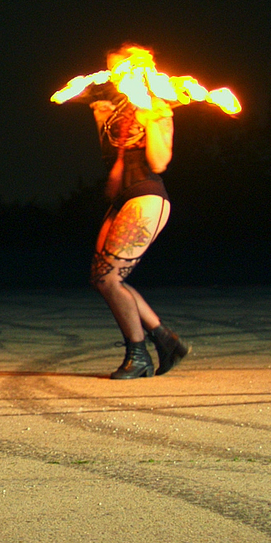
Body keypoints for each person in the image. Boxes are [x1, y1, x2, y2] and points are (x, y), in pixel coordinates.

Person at [85, 44, 192, 379]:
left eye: (119, 67)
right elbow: (110, 160)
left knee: (110, 279)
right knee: (101, 279)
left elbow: (159, 162)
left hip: (147, 196)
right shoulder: (109, 109)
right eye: (110, 68)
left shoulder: (157, 107)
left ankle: (138, 354)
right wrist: (101, 116)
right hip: (122, 200)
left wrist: (152, 120)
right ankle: (165, 339)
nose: (113, 74)